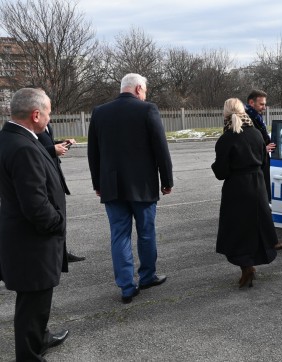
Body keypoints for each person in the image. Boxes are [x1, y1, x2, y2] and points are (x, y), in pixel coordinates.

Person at [88, 73, 174, 304]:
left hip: (112, 186)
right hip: (142, 185)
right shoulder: (147, 110)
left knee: (119, 235)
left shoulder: (99, 112)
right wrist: (167, 181)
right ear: (138, 89)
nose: (145, 95)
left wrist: (98, 184)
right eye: (144, 90)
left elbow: (93, 153)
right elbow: (161, 148)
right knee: (146, 232)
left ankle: (127, 287)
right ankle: (147, 276)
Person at [0, 88, 69, 360]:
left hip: (21, 235)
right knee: (33, 301)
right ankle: (29, 354)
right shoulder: (24, 147)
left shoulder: (10, 137)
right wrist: (57, 223)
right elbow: (35, 205)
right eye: (49, 113)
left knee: (37, 299)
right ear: (36, 114)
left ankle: (41, 336)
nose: (50, 119)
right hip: (32, 240)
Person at [212, 98, 278, 288]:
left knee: (238, 229)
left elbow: (221, 172)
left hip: (236, 188)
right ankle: (252, 264)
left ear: (225, 114)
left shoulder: (225, 139)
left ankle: (246, 267)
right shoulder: (257, 134)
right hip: (257, 185)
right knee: (256, 226)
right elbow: (265, 161)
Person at [37, 123, 86, 262]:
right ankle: (56, 254)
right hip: (46, 178)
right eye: (48, 111)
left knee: (61, 214)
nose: (49, 115)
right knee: (53, 217)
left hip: (56, 174)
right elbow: (33, 150)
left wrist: (62, 143)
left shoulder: (47, 126)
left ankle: (62, 252)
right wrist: (53, 150)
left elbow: (47, 143)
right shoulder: (33, 128)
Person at [245, 89, 282, 250]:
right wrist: (264, 147)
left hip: (261, 166)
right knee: (261, 205)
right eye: (261, 104)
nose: (264, 107)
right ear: (251, 103)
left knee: (261, 205)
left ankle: (263, 238)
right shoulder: (247, 120)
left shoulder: (255, 117)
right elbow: (246, 145)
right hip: (256, 169)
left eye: (265, 104)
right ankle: (268, 240)